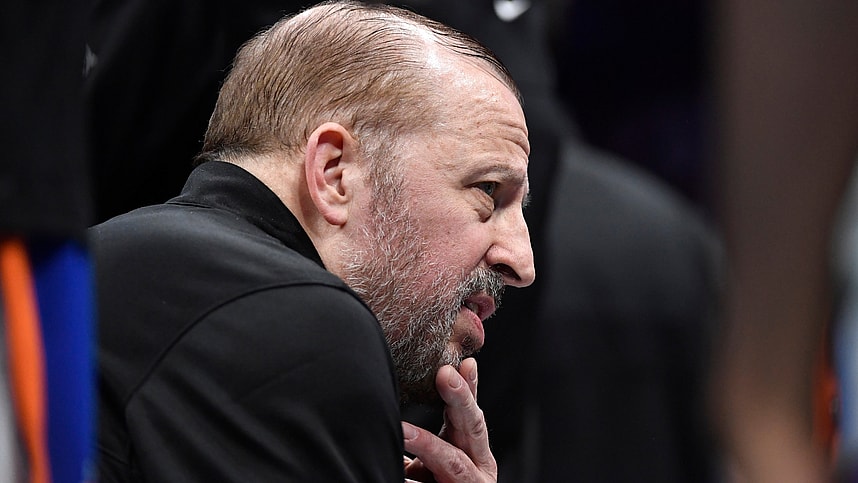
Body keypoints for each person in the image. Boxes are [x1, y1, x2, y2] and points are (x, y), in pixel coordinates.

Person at [89, 1, 535, 481]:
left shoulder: (119, 264)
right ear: (333, 173)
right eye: (488, 190)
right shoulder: (296, 320)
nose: (523, 262)